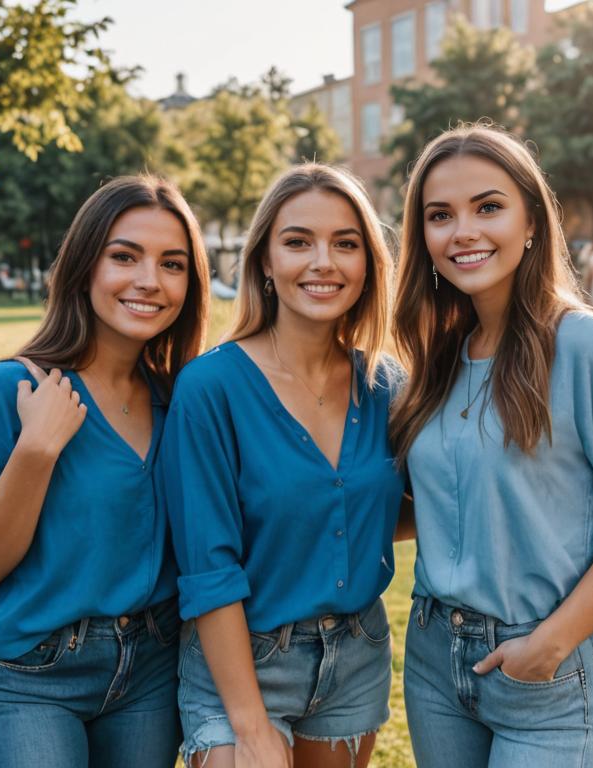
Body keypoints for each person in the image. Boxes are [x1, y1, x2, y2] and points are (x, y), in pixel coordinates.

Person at [389, 124, 593, 768]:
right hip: (436, 661)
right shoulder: (436, 360)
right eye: (441, 216)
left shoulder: (588, 348)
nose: (463, 231)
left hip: (548, 671)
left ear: (530, 223)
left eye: (487, 207)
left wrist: (550, 643)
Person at [0, 175, 211, 768]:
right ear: (84, 264)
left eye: (173, 263)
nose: (149, 280)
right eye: (124, 256)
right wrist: (37, 449)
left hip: (149, 671)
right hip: (30, 677)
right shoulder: (10, 390)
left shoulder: (180, 401)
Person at [161, 164, 405, 768]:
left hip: (355, 653)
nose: (323, 261)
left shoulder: (385, 386)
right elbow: (206, 567)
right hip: (241, 660)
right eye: (298, 242)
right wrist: (249, 725)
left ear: (368, 264)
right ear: (265, 262)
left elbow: (391, 507)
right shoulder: (210, 387)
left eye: (345, 244)